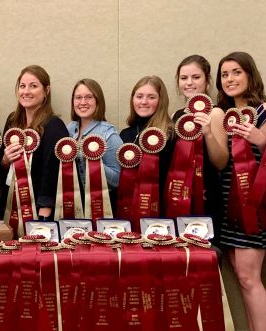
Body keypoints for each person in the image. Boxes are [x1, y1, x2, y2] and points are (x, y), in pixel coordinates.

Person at [212, 53, 266, 331]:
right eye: (225, 74)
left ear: (250, 75)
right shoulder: (225, 114)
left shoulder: (265, 110)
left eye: (237, 72)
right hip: (231, 203)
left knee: (251, 277)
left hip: (256, 206)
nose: (230, 79)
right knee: (242, 276)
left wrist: (259, 138)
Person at [0, 65, 68, 221]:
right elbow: (3, 165)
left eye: (33, 86)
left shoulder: (54, 126)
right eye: (22, 86)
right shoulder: (12, 121)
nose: (26, 91)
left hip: (37, 208)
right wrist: (5, 160)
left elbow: (52, 172)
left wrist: (45, 210)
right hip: (9, 205)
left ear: (46, 91)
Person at [172, 56, 227, 233]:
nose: (189, 83)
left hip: (206, 195)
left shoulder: (216, 112)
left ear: (207, 81)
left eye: (196, 77)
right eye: (183, 78)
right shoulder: (175, 115)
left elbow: (221, 162)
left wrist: (208, 132)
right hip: (179, 195)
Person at [118, 76, 176, 214]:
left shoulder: (170, 134)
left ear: (161, 101)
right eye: (139, 96)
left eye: (151, 97)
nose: (144, 102)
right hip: (128, 209)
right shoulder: (125, 134)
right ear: (133, 100)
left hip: (160, 210)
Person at [66, 78, 121, 205]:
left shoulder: (108, 133)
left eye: (89, 97)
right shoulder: (68, 130)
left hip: (99, 205)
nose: (83, 102)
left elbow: (118, 179)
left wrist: (93, 161)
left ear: (98, 101)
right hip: (71, 203)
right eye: (78, 97)